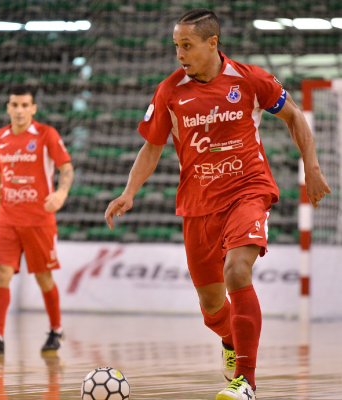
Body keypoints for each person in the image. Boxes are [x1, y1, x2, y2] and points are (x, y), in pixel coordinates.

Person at [104, 9, 330, 400]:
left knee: (237, 271)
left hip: (248, 190)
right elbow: (152, 146)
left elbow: (293, 116)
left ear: (212, 43)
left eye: (186, 45)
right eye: (176, 45)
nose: (179, 54)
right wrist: (129, 192)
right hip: (198, 204)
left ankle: (246, 381)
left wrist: (311, 167)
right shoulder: (170, 91)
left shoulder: (250, 79)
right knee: (211, 307)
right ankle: (229, 339)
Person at [0, 85, 74, 355]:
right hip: (7, 219)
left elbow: (66, 167)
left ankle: (56, 330)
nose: (19, 110)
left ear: (33, 108)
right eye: (15, 105)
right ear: (8, 108)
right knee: (1, 273)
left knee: (43, 277)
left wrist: (61, 193)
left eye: (24, 105)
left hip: (39, 219)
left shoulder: (46, 134)